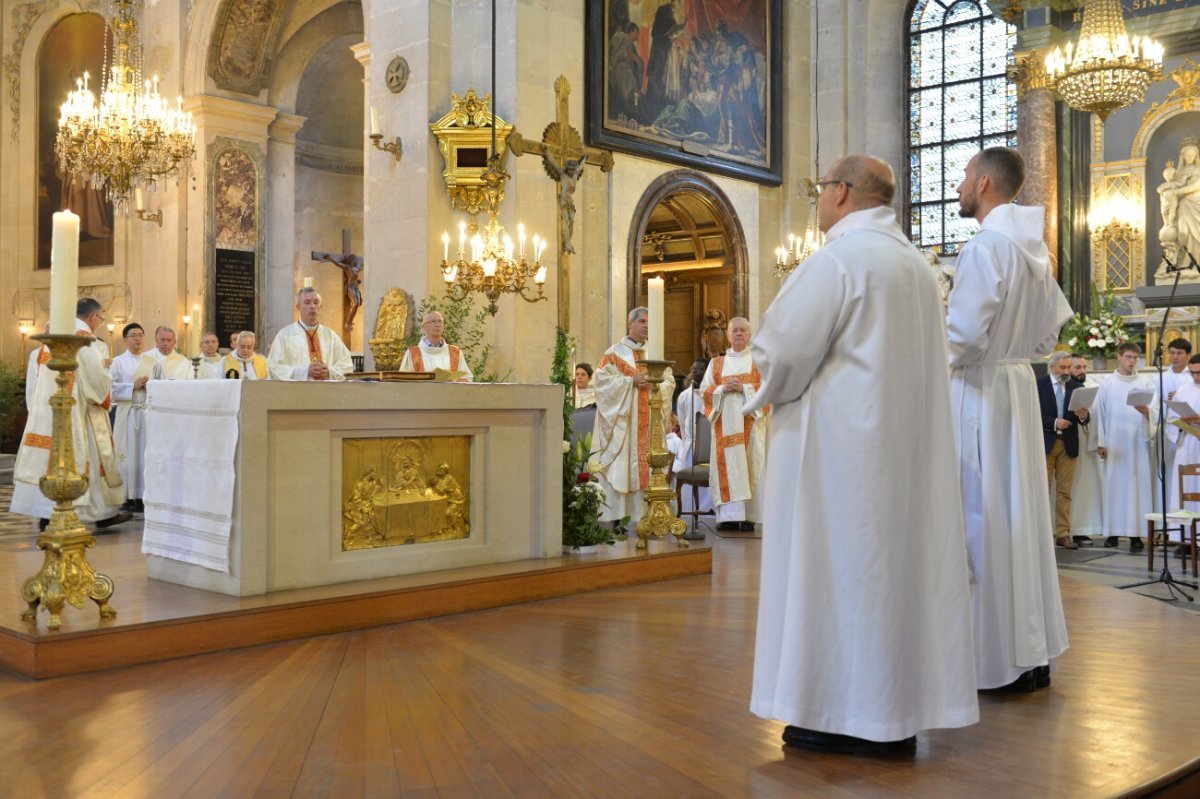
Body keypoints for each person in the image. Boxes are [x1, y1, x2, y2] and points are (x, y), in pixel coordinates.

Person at [743, 154, 977, 755]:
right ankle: (889, 712)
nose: (818, 200)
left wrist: (761, 388)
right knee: (887, 578)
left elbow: (780, 353)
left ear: (841, 192)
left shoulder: (839, 261)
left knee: (836, 577)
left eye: (820, 189)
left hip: (839, 457)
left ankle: (836, 713)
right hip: (901, 456)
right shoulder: (918, 268)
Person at [947, 146, 1071, 693]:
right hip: (1019, 385)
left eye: (966, 176)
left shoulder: (985, 248)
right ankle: (1030, 654)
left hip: (982, 391)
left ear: (986, 185)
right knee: (1021, 517)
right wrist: (1014, 348)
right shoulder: (1033, 251)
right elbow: (1050, 336)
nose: (958, 185)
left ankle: (993, 661)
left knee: (982, 516)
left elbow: (966, 337)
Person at [10, 298, 131, 530]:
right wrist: (105, 385)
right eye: (100, 318)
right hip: (79, 412)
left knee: (53, 459)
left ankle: (49, 513)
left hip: (49, 412)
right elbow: (95, 379)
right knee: (87, 459)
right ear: (93, 317)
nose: (99, 323)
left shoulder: (52, 339)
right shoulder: (82, 339)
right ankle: (99, 513)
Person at [593, 307, 676, 525]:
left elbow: (669, 382)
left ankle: (649, 516)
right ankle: (618, 516)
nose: (647, 326)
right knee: (622, 465)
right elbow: (601, 384)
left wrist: (653, 384)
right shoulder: (613, 354)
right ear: (630, 324)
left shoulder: (655, 354)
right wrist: (630, 382)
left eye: (649, 322)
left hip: (650, 421)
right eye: (642, 321)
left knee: (650, 465)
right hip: (625, 424)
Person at [699, 317, 767, 532]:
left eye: (743, 330)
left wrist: (745, 388)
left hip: (752, 428)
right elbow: (704, 391)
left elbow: (769, 391)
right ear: (728, 335)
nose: (738, 333)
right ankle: (727, 517)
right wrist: (722, 390)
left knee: (750, 466)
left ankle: (748, 516)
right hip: (724, 427)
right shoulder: (716, 363)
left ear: (749, 335)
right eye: (734, 330)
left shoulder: (759, 361)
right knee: (728, 467)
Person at [1094, 342, 1157, 551]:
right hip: (1115, 445)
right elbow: (1099, 415)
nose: (1132, 362)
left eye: (1135, 358)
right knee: (1114, 488)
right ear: (1119, 357)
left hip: (1138, 444)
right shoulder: (1107, 384)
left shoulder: (1145, 382)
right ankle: (1112, 532)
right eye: (1128, 357)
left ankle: (1136, 535)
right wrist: (1101, 443)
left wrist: (1147, 412)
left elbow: (1155, 412)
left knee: (1137, 490)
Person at [1037, 350, 1090, 549]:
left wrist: (1083, 415)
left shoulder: (1076, 387)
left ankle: (1063, 533)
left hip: (1068, 444)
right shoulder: (1038, 386)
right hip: (1046, 443)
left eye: (1069, 367)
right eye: (1063, 367)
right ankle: (1041, 533)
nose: (1067, 371)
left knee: (1065, 492)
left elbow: (1084, 419)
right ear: (1052, 366)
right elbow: (1031, 414)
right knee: (1043, 490)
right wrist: (1054, 422)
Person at [109, 323, 154, 513]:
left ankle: (144, 495)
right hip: (127, 413)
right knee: (127, 455)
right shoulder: (117, 362)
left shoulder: (152, 362)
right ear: (125, 339)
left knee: (145, 455)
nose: (138, 338)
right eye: (134, 335)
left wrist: (151, 386)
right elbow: (109, 389)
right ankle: (127, 496)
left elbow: (162, 384)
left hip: (146, 414)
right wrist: (132, 386)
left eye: (141, 335)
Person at [266, 287, 354, 381]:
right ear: (298, 307)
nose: (312, 306)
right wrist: (305, 371)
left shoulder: (331, 336)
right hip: (297, 393)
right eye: (307, 302)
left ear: (320, 307)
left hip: (327, 392)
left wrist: (329, 371)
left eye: (316, 302)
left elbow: (347, 365)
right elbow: (274, 368)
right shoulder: (284, 335)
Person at [1068, 354, 1104, 543]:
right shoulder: (1061, 386)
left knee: (1084, 487)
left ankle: (1081, 527)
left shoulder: (1092, 387)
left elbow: (1098, 416)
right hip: (1063, 441)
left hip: (1085, 441)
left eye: (1084, 367)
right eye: (1077, 368)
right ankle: (1061, 528)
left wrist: (1084, 417)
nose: (1082, 371)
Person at [675, 358, 712, 517]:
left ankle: (710, 512)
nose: (695, 371)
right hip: (690, 445)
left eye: (700, 368)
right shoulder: (684, 396)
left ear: (708, 371)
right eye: (693, 368)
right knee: (689, 485)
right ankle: (689, 512)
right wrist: (687, 443)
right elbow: (683, 424)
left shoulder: (713, 394)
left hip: (710, 448)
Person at [1166, 354, 1200, 517]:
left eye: (1199, 372)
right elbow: (1171, 419)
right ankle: (1185, 535)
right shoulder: (1183, 391)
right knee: (1186, 486)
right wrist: (1181, 422)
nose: (1195, 377)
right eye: (1192, 373)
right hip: (1187, 444)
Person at [397, 311, 474, 381]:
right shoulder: (413, 353)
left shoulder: (455, 352)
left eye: (440, 321)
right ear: (424, 327)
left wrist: (459, 380)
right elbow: (403, 380)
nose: (437, 324)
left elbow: (467, 377)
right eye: (433, 321)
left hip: (449, 394)